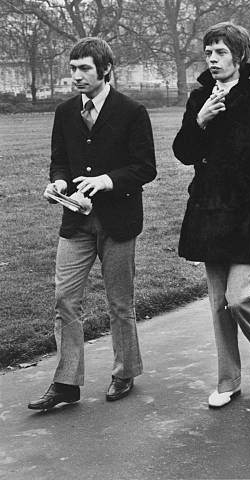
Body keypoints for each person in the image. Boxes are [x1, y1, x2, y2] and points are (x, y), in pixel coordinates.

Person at [28, 37, 157, 410]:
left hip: (118, 221)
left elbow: (145, 168)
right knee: (65, 300)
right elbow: (59, 160)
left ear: (106, 69)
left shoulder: (132, 112)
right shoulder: (65, 111)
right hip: (75, 221)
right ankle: (66, 383)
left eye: (85, 68)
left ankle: (125, 371)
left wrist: (107, 180)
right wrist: (58, 183)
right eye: (73, 68)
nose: (77, 76)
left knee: (120, 302)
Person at [172, 22, 250, 409]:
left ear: (239, 57)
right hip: (208, 211)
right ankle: (228, 381)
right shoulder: (199, 98)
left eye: (221, 52)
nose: (213, 59)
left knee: (238, 298)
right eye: (208, 52)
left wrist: (249, 184)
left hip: (246, 212)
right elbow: (184, 152)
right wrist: (200, 120)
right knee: (218, 304)